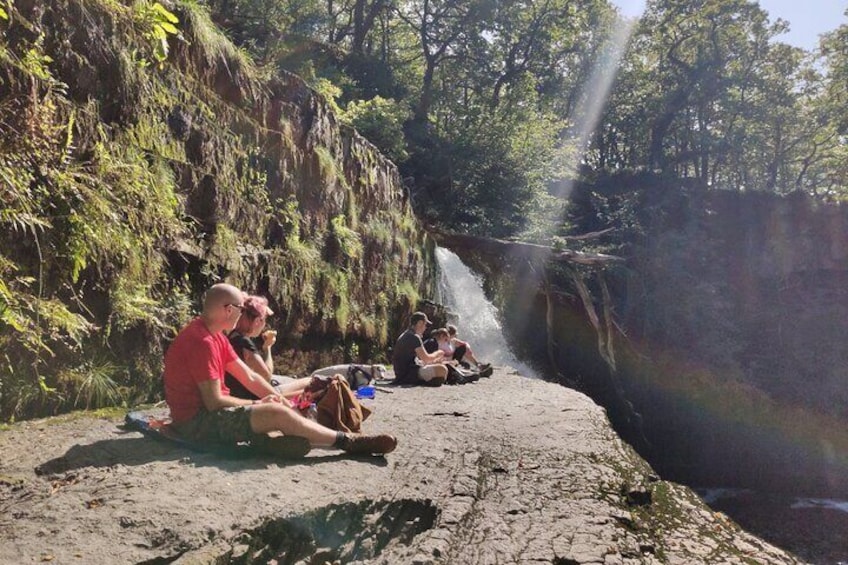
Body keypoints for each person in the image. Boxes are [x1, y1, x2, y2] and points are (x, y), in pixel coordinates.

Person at [163, 283, 397, 456]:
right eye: (239, 309)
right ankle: (348, 442)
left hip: (210, 415)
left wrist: (273, 396)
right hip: (195, 423)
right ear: (227, 309)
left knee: (278, 406)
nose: (241, 314)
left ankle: (267, 443)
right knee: (277, 413)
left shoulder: (216, 337)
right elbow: (214, 401)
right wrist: (260, 404)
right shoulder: (201, 342)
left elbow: (251, 376)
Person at [223, 295, 309, 401]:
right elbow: (267, 376)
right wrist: (267, 348)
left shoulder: (231, 336)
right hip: (257, 396)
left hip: (240, 393)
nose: (265, 324)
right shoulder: (244, 342)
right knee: (310, 382)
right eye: (264, 320)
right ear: (257, 321)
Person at [392, 312, 449, 386]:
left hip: (403, 372)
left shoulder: (406, 334)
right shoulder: (414, 337)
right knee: (442, 369)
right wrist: (438, 353)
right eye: (425, 325)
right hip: (409, 373)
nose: (425, 328)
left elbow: (416, 359)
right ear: (419, 323)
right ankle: (425, 381)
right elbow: (426, 359)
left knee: (440, 366)